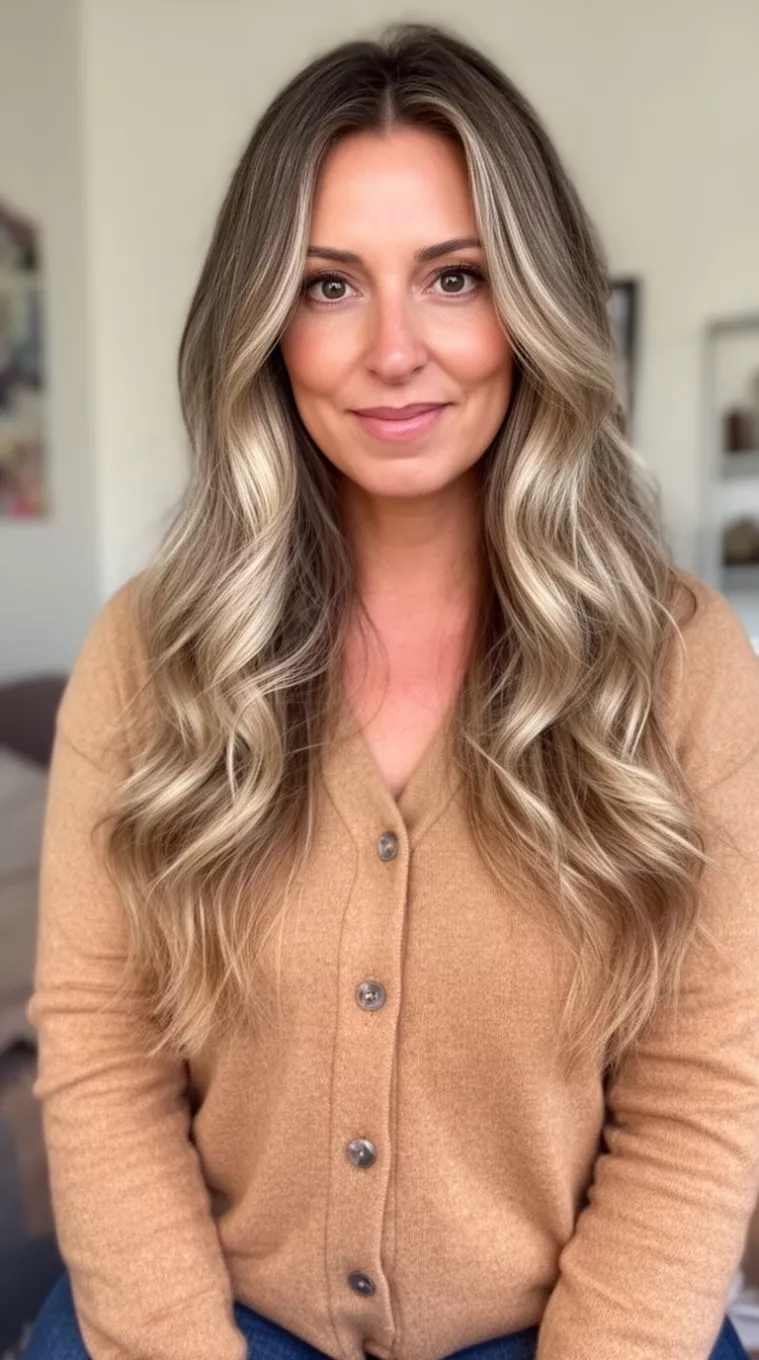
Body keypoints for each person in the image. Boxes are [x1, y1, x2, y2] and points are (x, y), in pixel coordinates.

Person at [22, 20, 759, 1360]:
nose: (395, 350)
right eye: (327, 286)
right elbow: (103, 1052)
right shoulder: (149, 652)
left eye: (454, 276)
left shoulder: (680, 661)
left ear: (531, 305)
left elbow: (700, 1092)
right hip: (204, 1323)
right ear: (263, 324)